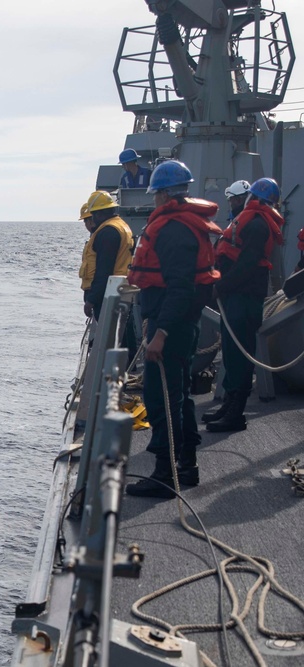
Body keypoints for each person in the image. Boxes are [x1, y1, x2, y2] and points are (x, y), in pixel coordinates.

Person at [125, 160, 221, 498]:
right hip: (182, 323)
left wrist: (161, 333)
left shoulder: (172, 230)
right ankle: (187, 465)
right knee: (179, 397)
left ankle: (165, 475)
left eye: (155, 195)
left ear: (165, 195)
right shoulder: (187, 226)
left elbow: (180, 287)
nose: (153, 201)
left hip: (171, 327)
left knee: (160, 398)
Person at [204, 177, 285, 432]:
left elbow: (248, 265)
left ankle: (236, 414)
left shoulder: (258, 225)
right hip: (235, 296)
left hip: (243, 297)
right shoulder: (252, 221)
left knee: (239, 354)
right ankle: (229, 404)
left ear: (253, 198)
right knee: (230, 350)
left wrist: (222, 285)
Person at [79, 191, 134, 321]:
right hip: (121, 288)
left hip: (110, 293)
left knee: (110, 334)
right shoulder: (121, 226)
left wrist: (92, 299)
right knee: (120, 332)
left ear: (99, 213)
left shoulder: (107, 232)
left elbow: (104, 269)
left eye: (93, 214)